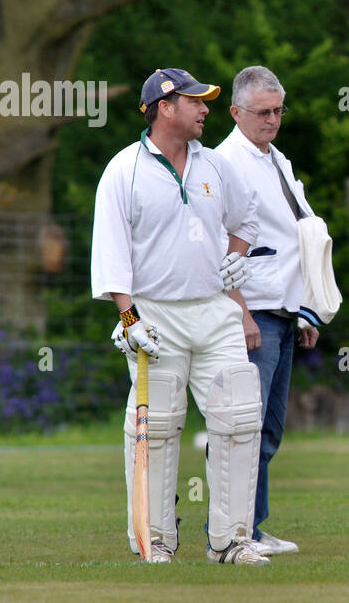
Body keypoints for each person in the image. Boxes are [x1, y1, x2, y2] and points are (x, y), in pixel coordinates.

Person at [91, 67, 270, 565]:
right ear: (164, 107)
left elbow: (246, 217)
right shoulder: (123, 170)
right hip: (156, 316)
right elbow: (110, 256)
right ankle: (156, 542)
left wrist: (236, 256)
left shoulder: (214, 167)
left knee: (237, 421)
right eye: (195, 101)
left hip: (215, 309)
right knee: (158, 427)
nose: (205, 108)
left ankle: (232, 542)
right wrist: (130, 322)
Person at [215, 65, 322, 557]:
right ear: (236, 112)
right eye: (263, 112)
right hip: (252, 311)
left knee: (268, 428)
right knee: (243, 426)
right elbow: (221, 246)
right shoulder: (224, 164)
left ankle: (253, 528)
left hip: (282, 309)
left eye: (279, 110)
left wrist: (305, 310)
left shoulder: (275, 157)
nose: (273, 119)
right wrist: (240, 312)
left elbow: (296, 235)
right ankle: (233, 534)